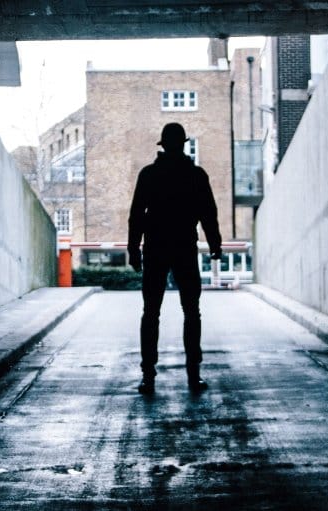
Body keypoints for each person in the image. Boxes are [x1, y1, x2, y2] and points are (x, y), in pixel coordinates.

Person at [127, 122, 222, 395]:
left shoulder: (149, 175)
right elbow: (208, 213)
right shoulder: (196, 175)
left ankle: (148, 376)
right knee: (191, 312)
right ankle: (193, 375)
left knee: (151, 313)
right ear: (183, 144)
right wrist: (214, 243)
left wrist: (134, 249)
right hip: (184, 247)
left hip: (156, 248)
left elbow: (136, 215)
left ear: (163, 145)